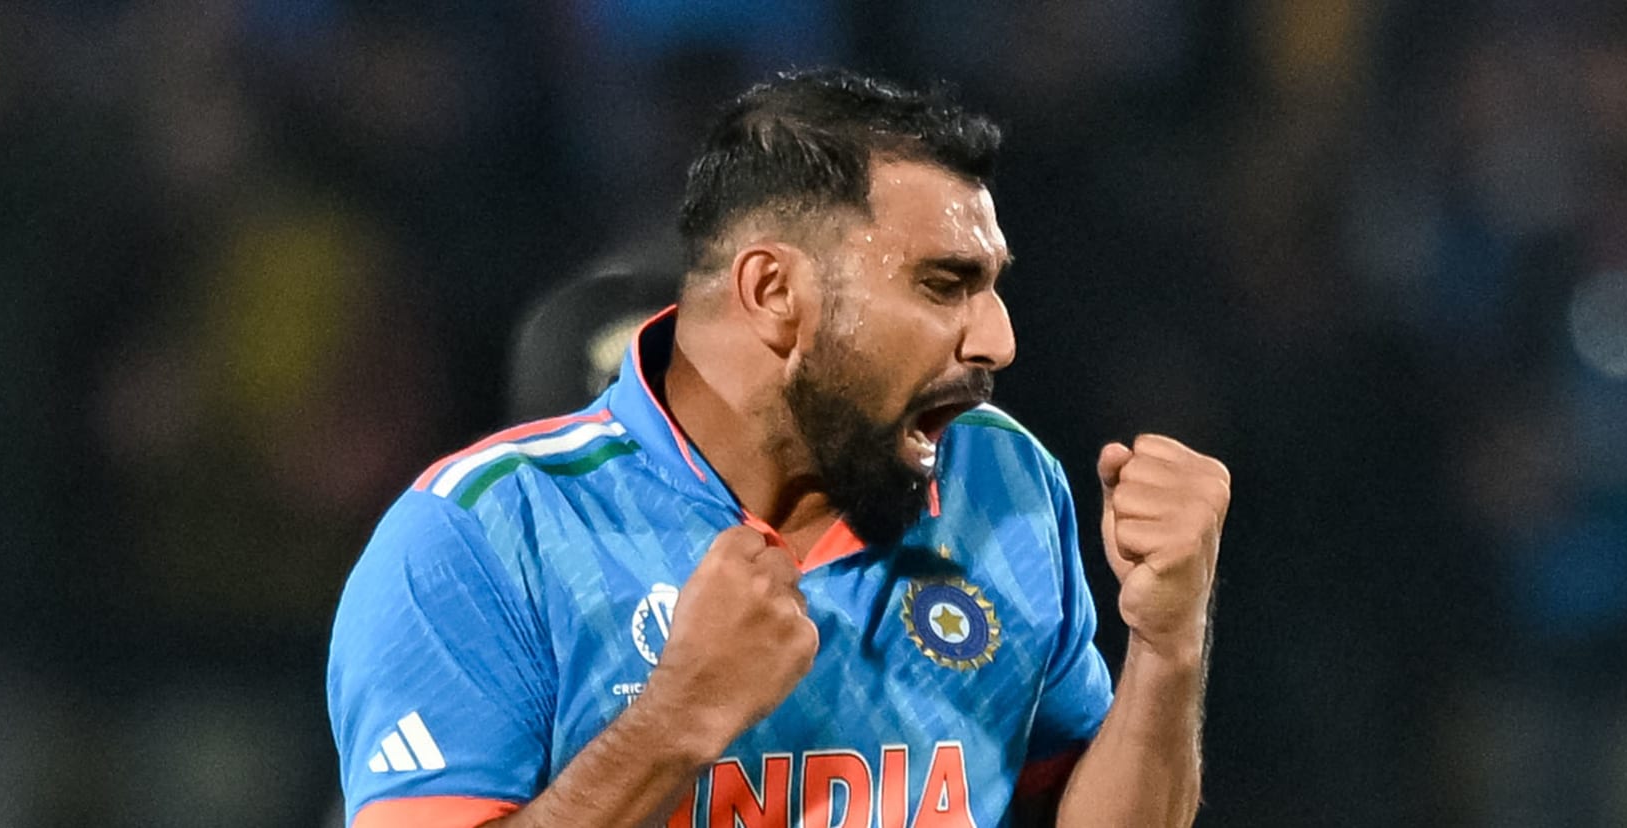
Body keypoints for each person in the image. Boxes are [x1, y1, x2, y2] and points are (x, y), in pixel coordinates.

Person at [326, 68, 1230, 828]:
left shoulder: (1006, 482)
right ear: (773, 292)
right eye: (944, 285)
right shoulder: (480, 538)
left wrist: (1166, 646)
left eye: (991, 286)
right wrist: (677, 719)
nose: (998, 338)